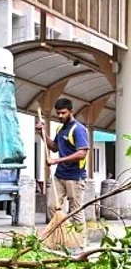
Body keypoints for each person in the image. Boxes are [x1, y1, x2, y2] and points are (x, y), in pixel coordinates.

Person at [37, 97, 90, 247]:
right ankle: (60, 240)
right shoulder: (60, 129)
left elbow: (82, 153)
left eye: (63, 113)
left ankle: (80, 245)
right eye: (58, 113)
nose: (60, 116)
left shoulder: (78, 129)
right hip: (60, 176)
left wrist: (56, 161)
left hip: (75, 177)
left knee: (76, 211)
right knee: (52, 207)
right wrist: (42, 134)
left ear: (71, 111)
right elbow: (54, 147)